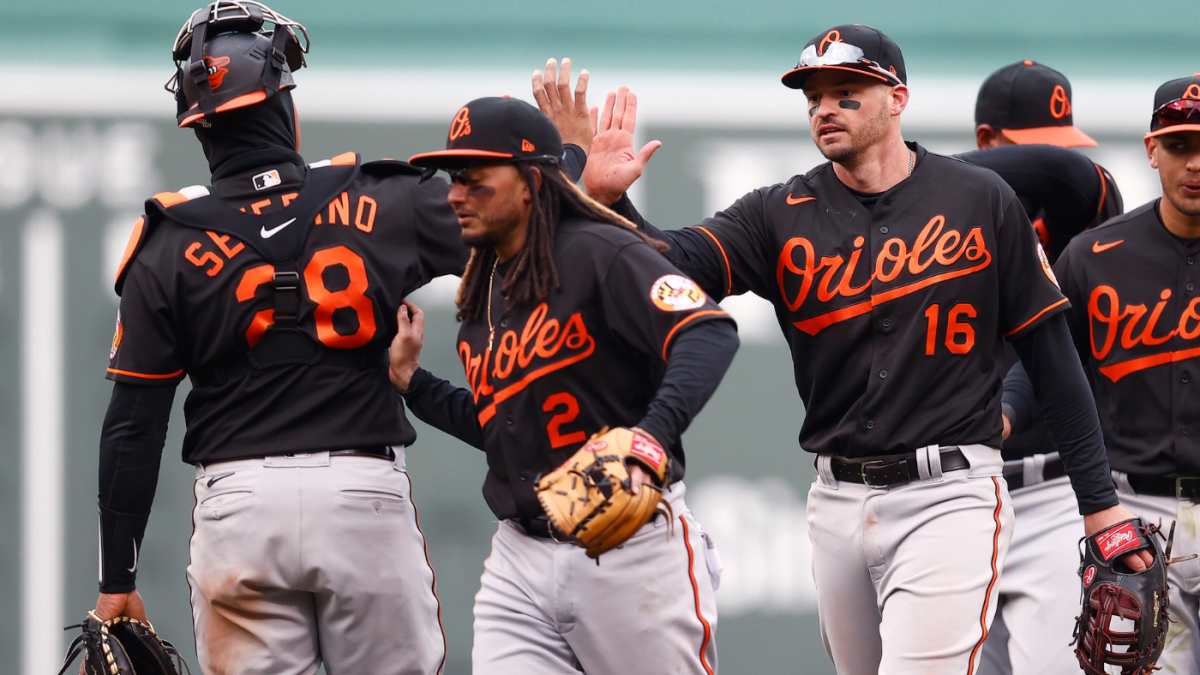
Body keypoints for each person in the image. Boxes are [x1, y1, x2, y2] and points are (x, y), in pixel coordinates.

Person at [575, 24, 1145, 675]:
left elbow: (1053, 358)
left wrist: (1100, 505)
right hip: (836, 499)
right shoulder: (779, 211)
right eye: (814, 95)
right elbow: (673, 264)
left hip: (950, 491)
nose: (825, 108)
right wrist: (614, 203)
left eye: (847, 92)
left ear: (897, 98)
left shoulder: (978, 199)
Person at [89, 3, 592, 673]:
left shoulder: (165, 243)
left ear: (199, 121)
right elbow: (523, 230)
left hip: (238, 509)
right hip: (361, 492)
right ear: (281, 100)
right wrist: (570, 158)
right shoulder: (383, 197)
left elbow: (132, 426)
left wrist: (117, 577)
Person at [392, 96, 738, 674]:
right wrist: (414, 384)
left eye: (475, 179)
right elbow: (503, 429)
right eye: (455, 178)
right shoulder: (485, 293)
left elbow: (706, 331)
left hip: (628, 550)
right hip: (519, 561)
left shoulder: (601, 249)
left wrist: (650, 441)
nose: (455, 193)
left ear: (530, 181)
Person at [955, 60, 1124, 675]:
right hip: (957, 492)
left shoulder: (1083, 216)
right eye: (1032, 143)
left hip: (1053, 487)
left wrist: (915, 174)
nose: (1051, 157)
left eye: (1062, 138)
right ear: (986, 142)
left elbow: (1067, 170)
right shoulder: (935, 231)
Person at [1049, 73, 1200, 673]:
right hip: (1137, 517)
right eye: (1183, 145)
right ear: (1152, 150)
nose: (1196, 163)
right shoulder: (1092, 257)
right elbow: (1051, 383)